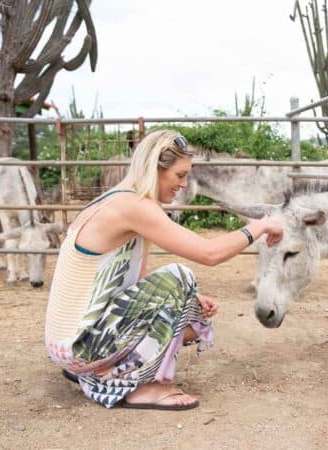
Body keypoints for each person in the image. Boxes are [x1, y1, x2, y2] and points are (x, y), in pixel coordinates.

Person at [44, 130, 283, 410]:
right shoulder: (134, 206)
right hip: (78, 346)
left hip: (74, 343)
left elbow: (132, 281)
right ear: (155, 168)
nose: (183, 184)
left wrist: (188, 301)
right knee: (181, 277)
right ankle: (141, 387)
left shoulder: (121, 199)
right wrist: (261, 226)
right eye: (179, 175)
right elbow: (209, 253)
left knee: (195, 320)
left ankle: (98, 370)